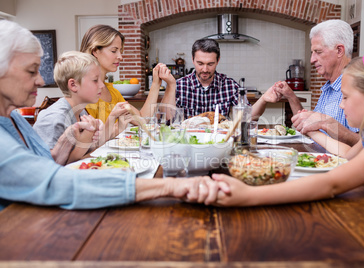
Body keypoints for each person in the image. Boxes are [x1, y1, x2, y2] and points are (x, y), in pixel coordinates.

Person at [0, 20, 229, 210]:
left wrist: (63, 144)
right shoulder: (56, 113)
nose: (41, 80)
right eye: (31, 71)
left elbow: (45, 165)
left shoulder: (15, 118)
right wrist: (169, 187)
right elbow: (53, 183)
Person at [212, 51, 364, 206]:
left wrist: (249, 195)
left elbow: (331, 184)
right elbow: (349, 154)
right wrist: (311, 130)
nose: (341, 105)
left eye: (345, 97)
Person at [267, 20, 360, 146]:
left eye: (318, 52)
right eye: (312, 53)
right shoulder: (329, 87)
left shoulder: (358, 85)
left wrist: (327, 122)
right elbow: (310, 125)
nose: (312, 60)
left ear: (339, 50)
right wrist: (291, 96)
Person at [80, 24, 176, 131]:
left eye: (120, 51)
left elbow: (142, 120)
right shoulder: (83, 92)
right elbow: (90, 140)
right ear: (95, 51)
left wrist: (156, 83)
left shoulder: (112, 91)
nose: (120, 57)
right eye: (114, 51)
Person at [174, 38, 281, 120]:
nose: (205, 69)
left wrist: (263, 100)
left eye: (210, 64)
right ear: (193, 60)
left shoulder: (229, 85)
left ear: (218, 60)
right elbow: (168, 119)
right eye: (200, 64)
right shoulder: (179, 86)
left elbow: (247, 117)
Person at [33, 51, 110, 164]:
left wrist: (98, 136)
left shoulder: (81, 112)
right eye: (95, 80)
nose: (102, 85)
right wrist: (86, 140)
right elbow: (50, 170)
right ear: (73, 85)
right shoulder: (54, 119)